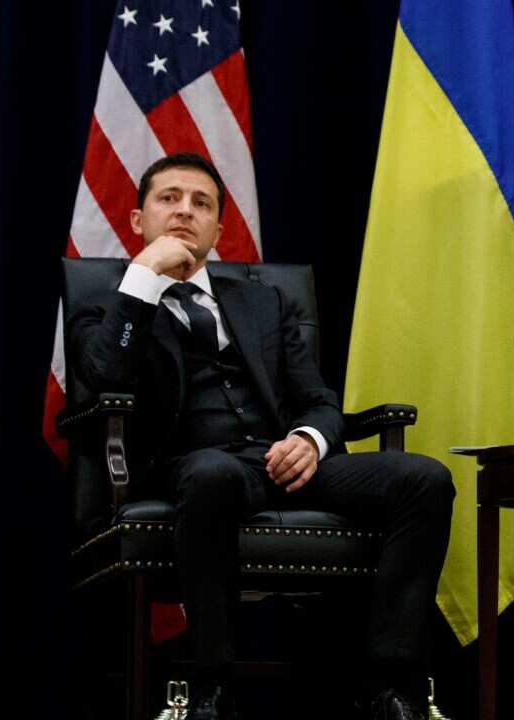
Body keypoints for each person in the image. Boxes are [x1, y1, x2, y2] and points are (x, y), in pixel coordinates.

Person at [68, 152, 454, 720]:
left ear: (220, 230)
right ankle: (211, 687)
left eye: (201, 204)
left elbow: (318, 399)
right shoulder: (109, 304)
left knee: (425, 479)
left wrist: (310, 439)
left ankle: (389, 686)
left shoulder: (260, 300)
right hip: (191, 468)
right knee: (212, 474)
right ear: (136, 220)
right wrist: (143, 280)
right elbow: (104, 376)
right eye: (168, 199)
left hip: (284, 462)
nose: (184, 212)